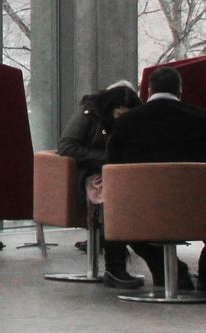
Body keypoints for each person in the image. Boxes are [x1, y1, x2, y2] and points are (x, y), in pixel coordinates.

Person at [106, 64, 206, 296]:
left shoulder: (126, 124)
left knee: (130, 224)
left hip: (140, 214)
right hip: (199, 212)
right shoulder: (202, 120)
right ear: (180, 91)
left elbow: (112, 165)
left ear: (148, 91)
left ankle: (169, 274)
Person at [55, 81, 144, 289]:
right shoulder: (88, 115)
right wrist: (107, 158)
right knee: (113, 197)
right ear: (110, 109)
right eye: (119, 116)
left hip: (123, 172)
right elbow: (67, 146)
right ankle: (116, 266)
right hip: (91, 172)